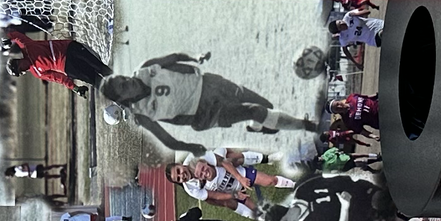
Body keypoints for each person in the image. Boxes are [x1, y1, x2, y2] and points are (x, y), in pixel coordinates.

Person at [100, 53, 317, 152]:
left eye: (123, 78)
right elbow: (168, 140)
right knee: (255, 110)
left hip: (210, 84)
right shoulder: (141, 114)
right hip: (205, 113)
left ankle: (258, 127)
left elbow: (174, 57)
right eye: (123, 86)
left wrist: (195, 58)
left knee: (263, 104)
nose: (128, 81)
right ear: (122, 99)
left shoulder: (146, 69)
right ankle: (304, 125)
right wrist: (192, 148)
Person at [1, 27, 109, 93]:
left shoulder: (27, 47)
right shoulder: (36, 72)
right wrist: (74, 88)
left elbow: (16, 35)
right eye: (20, 73)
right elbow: (58, 78)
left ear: (18, 61)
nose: (23, 71)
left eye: (20, 69)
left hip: (69, 48)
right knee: (95, 80)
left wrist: (8, 38)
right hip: (67, 67)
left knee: (99, 66)